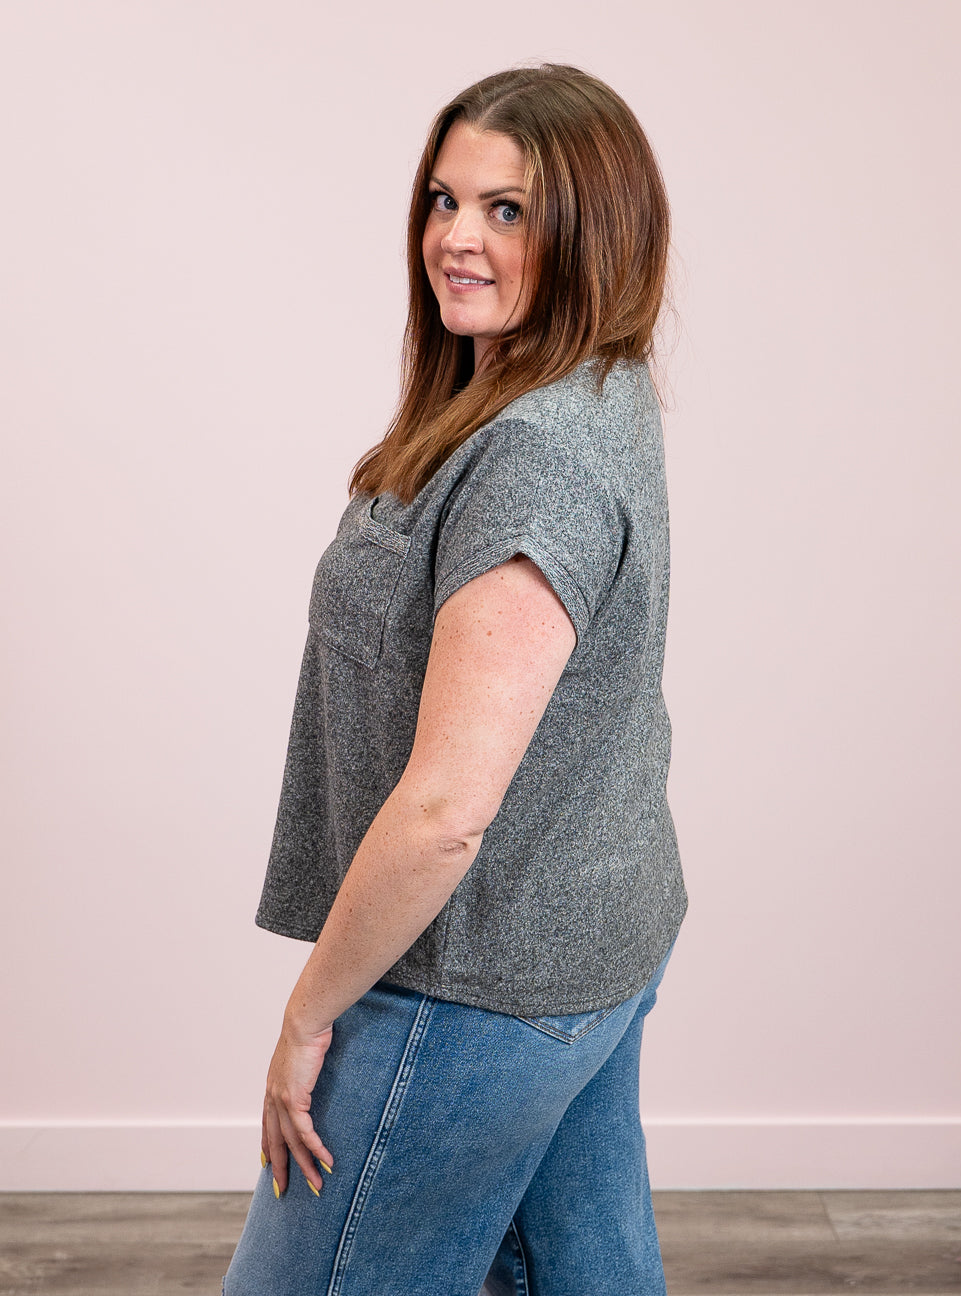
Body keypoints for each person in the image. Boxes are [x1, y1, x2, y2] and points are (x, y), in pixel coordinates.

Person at [223, 63, 688, 1296]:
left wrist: (309, 1015)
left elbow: (444, 813)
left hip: (470, 986)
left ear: (593, 232)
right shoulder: (586, 386)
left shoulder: (536, 454)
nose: (455, 239)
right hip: (586, 946)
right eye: (445, 199)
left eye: (506, 209)